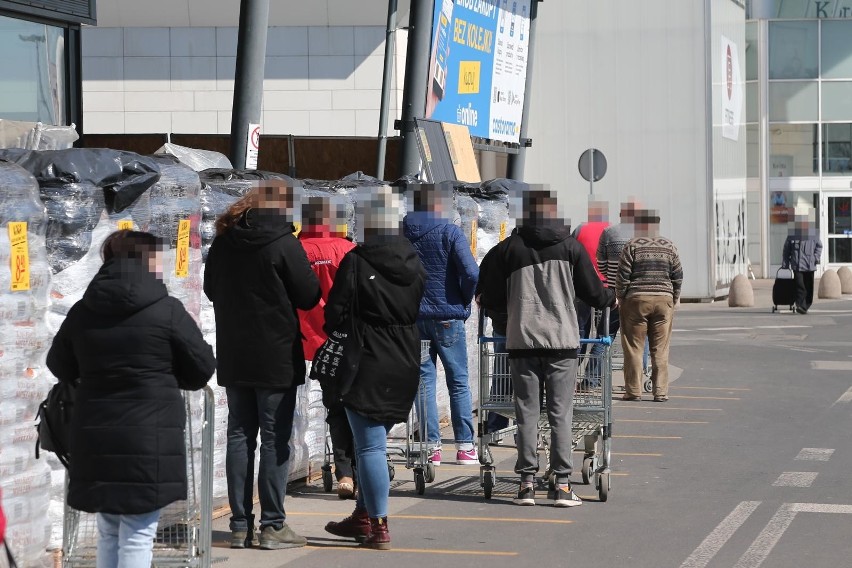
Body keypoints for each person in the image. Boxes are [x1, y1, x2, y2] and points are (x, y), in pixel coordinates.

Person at [46, 230, 216, 568]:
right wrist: (168, 377)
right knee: (139, 531)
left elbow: (58, 364)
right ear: (146, 261)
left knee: (109, 529)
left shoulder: (83, 310)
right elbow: (201, 367)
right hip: (148, 435)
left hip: (95, 432)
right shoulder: (166, 310)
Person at [478, 188, 615, 507]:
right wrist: (611, 299)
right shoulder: (571, 248)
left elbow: (492, 295)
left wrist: (499, 306)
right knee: (560, 412)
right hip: (562, 342)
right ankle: (562, 486)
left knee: (526, 412)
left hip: (522, 340)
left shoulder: (508, 249)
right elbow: (593, 292)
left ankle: (526, 484)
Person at [204, 182, 321, 550]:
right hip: (275, 353)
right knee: (274, 439)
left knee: (240, 435)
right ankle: (272, 525)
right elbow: (309, 294)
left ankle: (239, 524)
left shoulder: (224, 241)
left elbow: (210, 288)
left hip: (235, 351)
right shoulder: (284, 242)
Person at [323, 187, 426, 550]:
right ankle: (363, 515)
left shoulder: (356, 260)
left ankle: (379, 524)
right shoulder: (414, 261)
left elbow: (334, 313)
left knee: (369, 448)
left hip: (365, 359)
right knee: (376, 440)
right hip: (405, 358)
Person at [403, 184, 479, 466]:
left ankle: (431, 447)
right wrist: (464, 298)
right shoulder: (450, 232)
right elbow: (471, 272)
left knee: (423, 381)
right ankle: (465, 447)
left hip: (415, 317)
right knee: (458, 381)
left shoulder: (402, 233)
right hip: (448, 317)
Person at [297, 195, 357, 499]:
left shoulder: (297, 250)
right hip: (346, 341)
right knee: (355, 406)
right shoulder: (348, 249)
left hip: (309, 337)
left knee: (330, 406)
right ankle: (354, 469)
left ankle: (343, 470)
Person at [615, 211, 683, 402]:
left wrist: (621, 297)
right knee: (660, 349)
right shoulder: (669, 246)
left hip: (636, 300)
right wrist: (673, 297)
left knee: (634, 347)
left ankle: (633, 390)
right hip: (664, 300)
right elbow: (677, 275)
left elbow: (622, 275)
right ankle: (660, 391)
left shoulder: (632, 245)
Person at [572, 199, 611, 340]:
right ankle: (599, 358)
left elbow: (571, 251)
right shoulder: (610, 229)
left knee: (581, 325)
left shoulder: (580, 229)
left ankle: (577, 357)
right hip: (606, 284)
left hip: (583, 283)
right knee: (603, 328)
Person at [781, 215, 822, 315]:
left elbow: (819, 247)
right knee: (800, 285)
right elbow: (786, 249)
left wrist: (815, 258)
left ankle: (806, 305)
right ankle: (800, 305)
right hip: (797, 265)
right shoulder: (792, 235)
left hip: (809, 265)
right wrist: (785, 263)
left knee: (809, 287)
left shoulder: (813, 234)